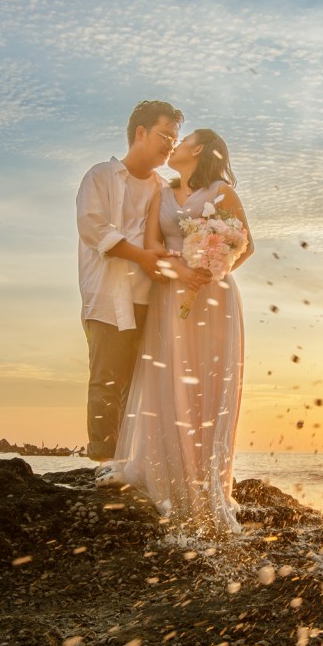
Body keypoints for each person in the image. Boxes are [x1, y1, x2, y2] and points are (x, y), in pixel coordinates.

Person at [110, 128, 253, 534]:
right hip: (171, 299)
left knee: (208, 388)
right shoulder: (162, 192)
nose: (175, 144)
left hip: (215, 301)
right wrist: (182, 271)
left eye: (183, 137)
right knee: (170, 382)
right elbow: (153, 247)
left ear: (200, 149)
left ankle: (209, 485)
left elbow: (247, 244)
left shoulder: (221, 191)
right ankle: (169, 479)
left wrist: (213, 269)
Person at [76, 100, 209, 462]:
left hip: (152, 300)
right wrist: (142, 257)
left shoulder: (163, 189)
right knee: (106, 382)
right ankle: (104, 464)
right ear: (140, 132)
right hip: (107, 297)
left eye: (174, 138)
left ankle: (134, 466)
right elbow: (93, 229)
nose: (170, 145)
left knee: (141, 389)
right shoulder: (100, 177)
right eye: (165, 135)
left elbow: (171, 239)